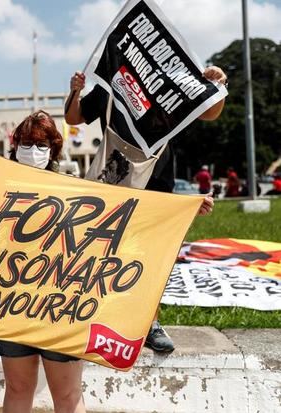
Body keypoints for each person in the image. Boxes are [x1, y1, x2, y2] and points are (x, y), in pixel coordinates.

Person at [65, 68, 221, 353]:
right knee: (104, 253)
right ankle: (96, 316)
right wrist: (75, 90)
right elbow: (74, 118)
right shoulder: (112, 87)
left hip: (158, 185)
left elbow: (210, 113)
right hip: (115, 184)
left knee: (152, 257)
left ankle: (150, 322)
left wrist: (218, 84)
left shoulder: (169, 89)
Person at [0, 110, 86, 413]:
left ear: (53, 150)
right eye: (26, 143)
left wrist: (186, 207)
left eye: (41, 145)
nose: (33, 151)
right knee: (18, 388)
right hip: (12, 303)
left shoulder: (73, 190)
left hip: (59, 305)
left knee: (67, 395)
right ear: (15, 145)